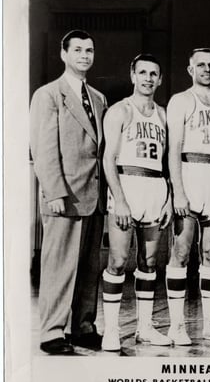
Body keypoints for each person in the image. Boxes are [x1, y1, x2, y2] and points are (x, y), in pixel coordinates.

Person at [30, 29, 108, 354]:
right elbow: (44, 149)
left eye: (89, 50)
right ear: (64, 54)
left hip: (94, 196)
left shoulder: (99, 98)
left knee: (89, 269)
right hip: (64, 197)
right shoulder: (48, 95)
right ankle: (52, 333)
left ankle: (83, 328)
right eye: (77, 50)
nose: (84, 56)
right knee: (59, 267)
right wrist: (55, 193)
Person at [101, 54, 173, 351]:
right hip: (126, 184)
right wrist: (119, 200)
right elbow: (108, 159)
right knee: (118, 261)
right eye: (142, 72)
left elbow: (168, 162)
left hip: (155, 187)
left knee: (150, 262)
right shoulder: (120, 110)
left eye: (153, 73)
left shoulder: (164, 115)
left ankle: (145, 328)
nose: (148, 78)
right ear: (133, 76)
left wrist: (169, 199)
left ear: (160, 79)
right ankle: (111, 329)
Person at [165, 48, 210, 345]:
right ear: (190, 69)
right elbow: (173, 150)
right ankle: (176, 325)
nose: (207, 69)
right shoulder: (181, 100)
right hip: (189, 175)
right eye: (201, 65)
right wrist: (178, 191)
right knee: (181, 253)